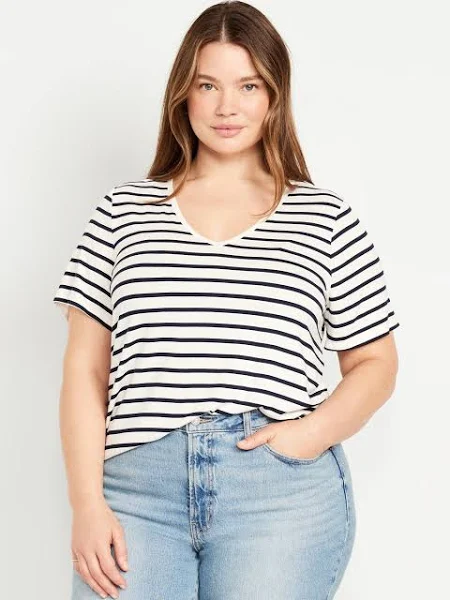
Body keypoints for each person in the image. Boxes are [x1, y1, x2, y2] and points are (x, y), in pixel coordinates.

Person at [53, 2, 400, 598]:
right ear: (182, 95)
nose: (226, 107)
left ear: (275, 96)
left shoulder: (325, 217)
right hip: (138, 491)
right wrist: (86, 504)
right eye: (207, 85)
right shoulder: (122, 213)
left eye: (248, 85)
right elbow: (86, 370)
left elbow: (376, 363)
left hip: (277, 495)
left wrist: (308, 436)